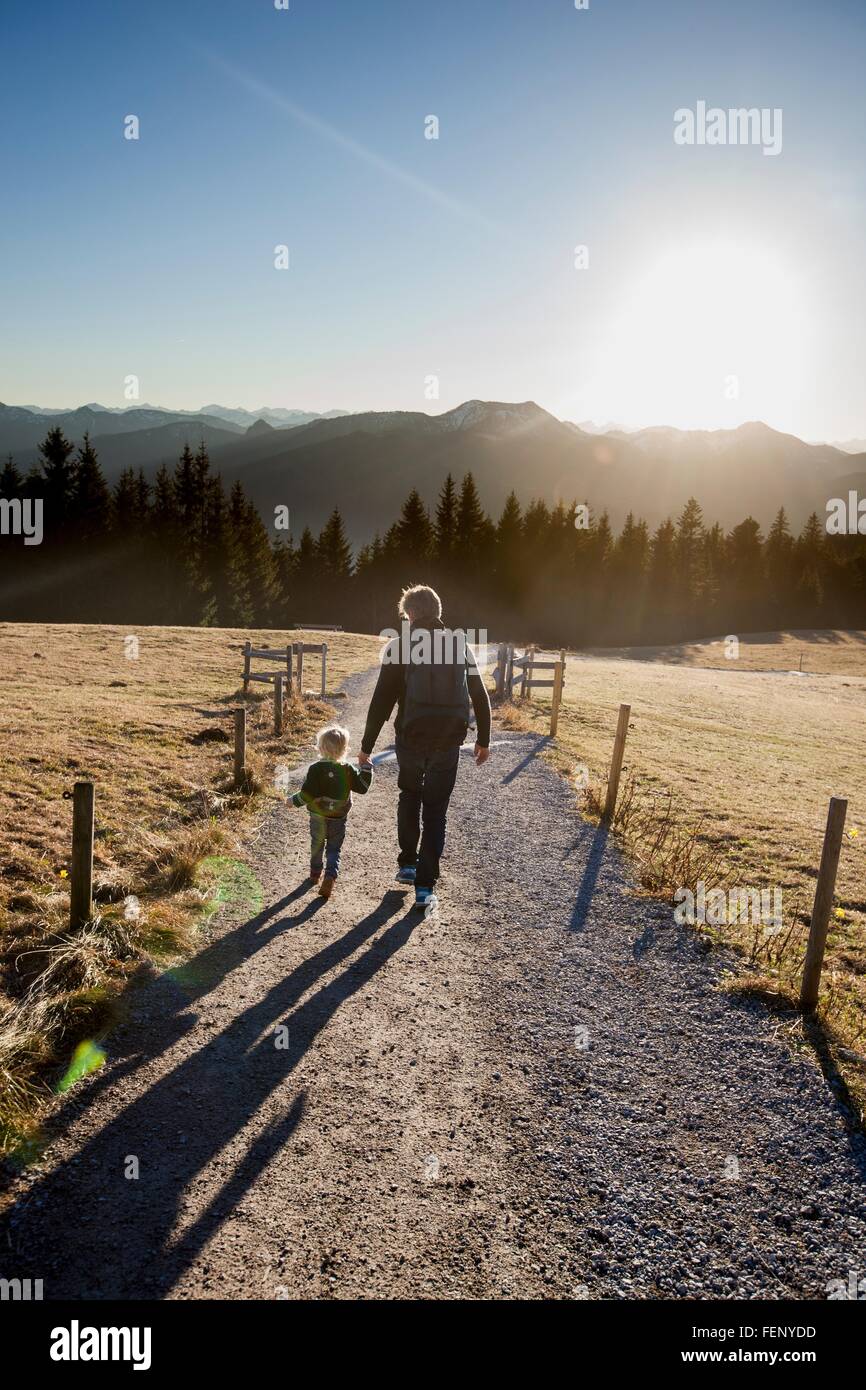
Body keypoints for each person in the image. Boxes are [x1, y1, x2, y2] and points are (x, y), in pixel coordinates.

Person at [358, 584, 491, 910]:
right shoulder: (460, 646)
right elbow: (479, 694)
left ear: (411, 614)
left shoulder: (399, 646)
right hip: (448, 741)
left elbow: (381, 701)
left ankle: (407, 863)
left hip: (411, 739)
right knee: (435, 812)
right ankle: (425, 886)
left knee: (409, 795)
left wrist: (366, 746)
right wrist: (483, 739)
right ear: (437, 612)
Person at [289, 723, 373, 899]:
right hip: (339, 817)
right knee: (334, 849)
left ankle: (314, 874)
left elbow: (308, 794)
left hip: (318, 816)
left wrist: (292, 801)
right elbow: (363, 788)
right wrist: (366, 769)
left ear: (320, 747)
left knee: (317, 844)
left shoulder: (315, 769)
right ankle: (330, 876)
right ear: (344, 749)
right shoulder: (347, 769)